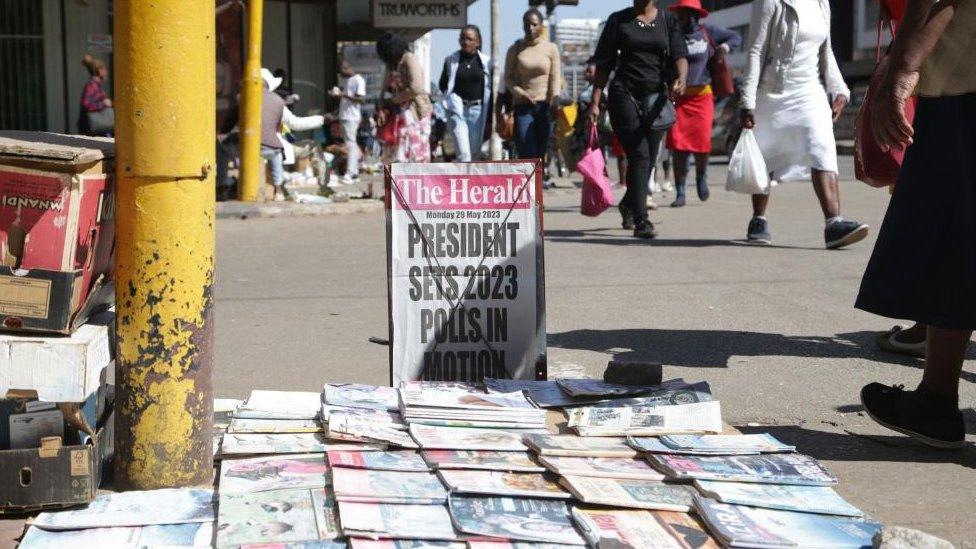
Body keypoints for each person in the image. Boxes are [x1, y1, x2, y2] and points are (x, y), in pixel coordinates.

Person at [855, 0, 975, 449]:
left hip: (965, 83)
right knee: (958, 241)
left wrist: (902, 68)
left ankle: (937, 401)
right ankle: (935, 401)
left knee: (952, 236)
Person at [740, 0, 868, 248]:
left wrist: (839, 88)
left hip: (810, 90)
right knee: (766, 155)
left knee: (822, 147)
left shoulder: (821, 3)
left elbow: (826, 49)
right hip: (773, 91)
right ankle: (758, 218)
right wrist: (748, 100)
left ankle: (834, 224)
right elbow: (755, 49)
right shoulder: (768, 2)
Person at [589, 0, 689, 239]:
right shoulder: (618, 20)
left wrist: (682, 78)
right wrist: (595, 101)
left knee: (648, 159)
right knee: (640, 155)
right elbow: (604, 63)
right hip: (624, 94)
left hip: (656, 98)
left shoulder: (668, 20)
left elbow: (680, 54)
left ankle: (627, 204)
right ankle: (642, 220)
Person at [666, 0, 741, 208]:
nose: (680, 18)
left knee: (702, 144)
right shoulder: (674, 35)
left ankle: (701, 178)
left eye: (685, 14)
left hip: (703, 97)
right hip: (680, 99)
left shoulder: (708, 32)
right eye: (679, 14)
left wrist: (724, 48)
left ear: (695, 16)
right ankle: (680, 190)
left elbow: (736, 37)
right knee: (678, 145)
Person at [505, 9, 561, 177]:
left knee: (540, 153)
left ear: (541, 26)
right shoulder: (516, 49)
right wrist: (521, 93)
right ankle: (527, 190)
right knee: (526, 149)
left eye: (534, 24)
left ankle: (537, 192)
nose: (530, 28)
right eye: (526, 24)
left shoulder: (551, 49)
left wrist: (554, 102)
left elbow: (555, 79)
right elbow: (507, 79)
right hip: (523, 107)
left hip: (545, 108)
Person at [259, 68, 323, 201]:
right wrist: (322, 119)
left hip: (250, 150)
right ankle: (279, 189)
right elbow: (295, 124)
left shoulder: (242, 99)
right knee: (309, 147)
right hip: (274, 148)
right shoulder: (277, 101)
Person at [377, 32, 433, 163]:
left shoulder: (409, 58)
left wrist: (394, 100)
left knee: (414, 149)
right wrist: (381, 107)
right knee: (397, 149)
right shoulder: (391, 64)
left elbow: (416, 88)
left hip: (415, 112)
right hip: (396, 114)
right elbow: (384, 88)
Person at [438, 25, 492, 162]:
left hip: (478, 112)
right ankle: (463, 182)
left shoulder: (486, 62)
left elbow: (491, 92)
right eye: (462, 38)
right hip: (458, 110)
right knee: (464, 154)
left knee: (474, 155)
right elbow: (443, 84)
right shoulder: (451, 60)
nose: (465, 42)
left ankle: (471, 182)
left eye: (469, 39)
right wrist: (449, 101)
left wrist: (490, 120)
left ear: (477, 42)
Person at [333, 60, 367, 184]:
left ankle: (351, 173)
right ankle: (355, 173)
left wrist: (343, 95)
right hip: (345, 116)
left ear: (345, 68)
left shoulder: (358, 80)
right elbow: (345, 102)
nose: (340, 75)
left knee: (351, 145)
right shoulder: (349, 81)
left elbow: (362, 100)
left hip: (351, 118)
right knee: (351, 144)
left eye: (340, 72)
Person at [78, 54, 113, 136]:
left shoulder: (96, 85)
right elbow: (86, 104)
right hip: (92, 127)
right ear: (99, 71)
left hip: (97, 128)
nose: (106, 73)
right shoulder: (92, 85)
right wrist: (103, 104)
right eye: (105, 70)